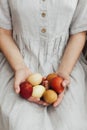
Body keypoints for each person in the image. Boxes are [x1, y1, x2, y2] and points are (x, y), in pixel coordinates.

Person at [0, 0, 87, 130]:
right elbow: (3, 32)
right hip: (16, 60)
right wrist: (19, 67)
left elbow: (79, 32)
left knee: (72, 124)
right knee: (19, 124)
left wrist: (63, 72)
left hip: (67, 61)